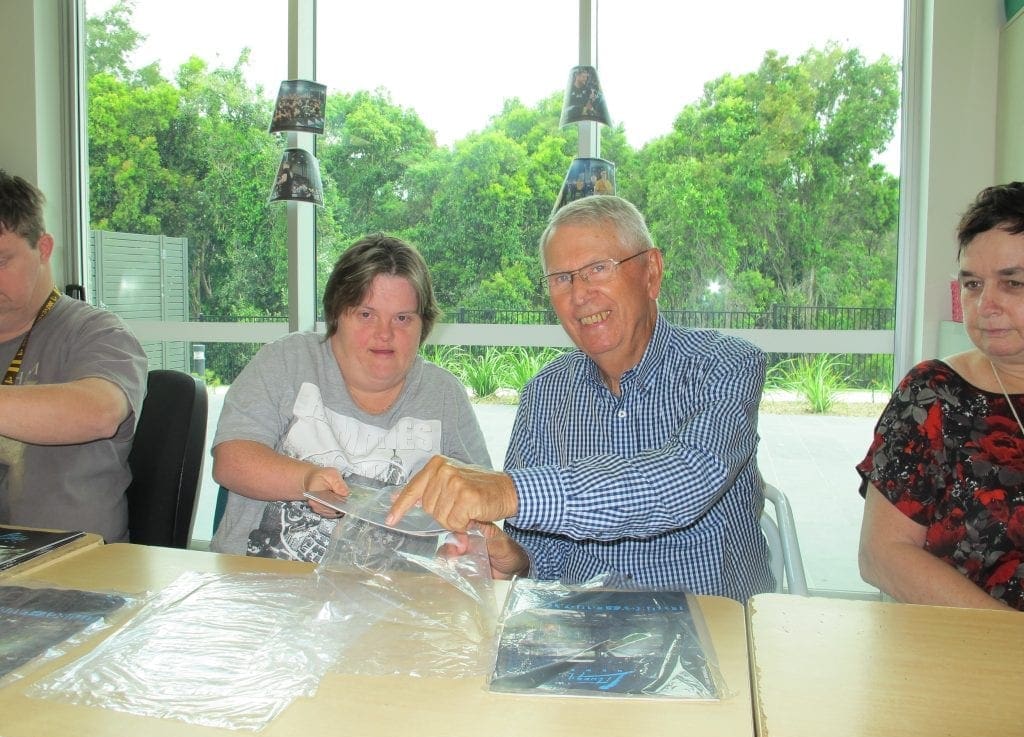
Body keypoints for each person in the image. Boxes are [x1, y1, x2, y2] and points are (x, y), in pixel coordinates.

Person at [389, 195, 774, 600]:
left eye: (598, 269)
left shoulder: (727, 364)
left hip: (711, 627)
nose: (579, 294)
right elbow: (542, 552)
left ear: (651, 273)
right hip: (584, 635)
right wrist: (512, 558)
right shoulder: (544, 394)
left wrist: (507, 491)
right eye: (561, 278)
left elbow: (684, 481)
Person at [210, 234, 491, 562]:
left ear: (423, 325)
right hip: (258, 585)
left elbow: (482, 499)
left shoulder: (443, 395)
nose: (384, 333)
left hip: (390, 600)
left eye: (403, 318)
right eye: (366, 315)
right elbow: (230, 461)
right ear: (336, 315)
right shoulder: (286, 360)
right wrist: (306, 479)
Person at [857, 181, 1024, 611]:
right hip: (972, 649)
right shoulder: (933, 395)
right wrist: (1007, 635)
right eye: (972, 284)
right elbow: (882, 554)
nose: (986, 304)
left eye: (1013, 284)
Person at [0, 170, 147, 542]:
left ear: (44, 249)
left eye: (1, 261)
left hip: (69, 572)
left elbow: (98, 414)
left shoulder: (97, 333)